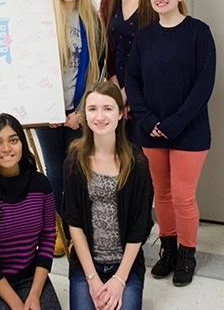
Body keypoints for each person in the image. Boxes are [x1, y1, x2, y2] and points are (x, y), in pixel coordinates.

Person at [125, 0, 216, 287]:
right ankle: (169, 250)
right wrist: (148, 120)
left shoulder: (198, 33)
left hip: (189, 131)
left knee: (182, 197)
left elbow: (204, 85)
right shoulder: (145, 37)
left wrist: (175, 123)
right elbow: (132, 82)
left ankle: (187, 255)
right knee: (161, 195)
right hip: (151, 130)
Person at [36, 0, 107, 256]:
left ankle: (80, 231)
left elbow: (99, 71)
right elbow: (35, 69)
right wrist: (49, 109)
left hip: (79, 112)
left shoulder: (92, 19)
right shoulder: (42, 19)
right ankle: (58, 232)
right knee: (54, 173)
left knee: (78, 173)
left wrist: (80, 112)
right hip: (47, 113)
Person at [63, 81, 153, 310]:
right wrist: (92, 279)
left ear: (121, 113)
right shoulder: (74, 160)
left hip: (125, 267)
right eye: (92, 109)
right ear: (84, 114)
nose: (100, 117)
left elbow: (140, 227)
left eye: (108, 108)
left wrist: (119, 280)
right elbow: (74, 224)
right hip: (87, 266)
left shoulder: (137, 163)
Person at [0, 113, 62, 310]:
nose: (6, 148)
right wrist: (16, 304)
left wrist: (34, 293)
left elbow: (48, 238)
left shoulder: (41, 184)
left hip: (29, 276)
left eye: (13, 140)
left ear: (22, 143)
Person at [99, 0, 158, 144]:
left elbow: (156, 52)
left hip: (147, 89)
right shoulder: (108, 2)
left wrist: (130, 93)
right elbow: (108, 48)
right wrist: (117, 92)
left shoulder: (155, 0)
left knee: (146, 162)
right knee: (122, 161)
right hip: (117, 88)